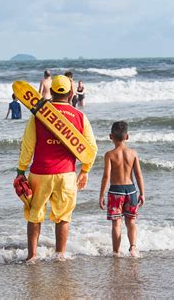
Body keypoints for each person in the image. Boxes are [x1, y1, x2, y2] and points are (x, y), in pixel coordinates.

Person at [15, 75, 97, 262]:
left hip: (40, 173)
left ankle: (32, 256)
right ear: (70, 93)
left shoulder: (38, 115)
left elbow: (28, 145)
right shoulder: (80, 116)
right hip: (67, 174)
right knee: (63, 216)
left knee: (35, 215)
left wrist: (21, 169)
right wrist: (85, 170)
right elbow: (91, 149)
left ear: (51, 91)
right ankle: (60, 255)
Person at [99, 121, 145, 258]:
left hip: (115, 191)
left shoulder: (109, 154)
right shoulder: (133, 153)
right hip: (131, 190)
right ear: (127, 136)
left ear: (110, 136)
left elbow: (106, 176)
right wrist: (142, 193)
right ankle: (133, 248)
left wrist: (101, 195)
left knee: (116, 224)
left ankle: (116, 252)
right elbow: (138, 175)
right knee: (131, 222)